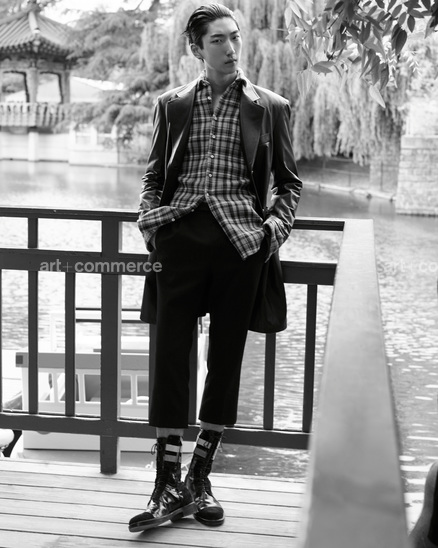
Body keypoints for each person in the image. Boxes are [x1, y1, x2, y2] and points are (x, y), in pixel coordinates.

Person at [129, 3, 302, 533]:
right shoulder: (172, 105)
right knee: (169, 358)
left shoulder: (270, 107)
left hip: (240, 246)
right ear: (196, 49)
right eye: (217, 40)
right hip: (179, 240)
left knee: (226, 361)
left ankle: (199, 478)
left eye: (235, 37)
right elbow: (154, 175)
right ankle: (166, 482)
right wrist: (150, 223)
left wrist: (272, 233)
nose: (230, 48)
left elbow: (289, 185)